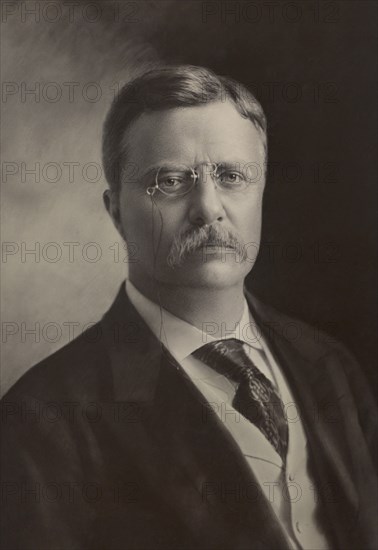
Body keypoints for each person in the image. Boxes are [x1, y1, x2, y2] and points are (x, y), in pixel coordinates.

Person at [1, 65, 377, 550]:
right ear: (115, 211)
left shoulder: (328, 364)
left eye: (232, 176)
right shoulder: (42, 421)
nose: (209, 206)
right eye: (170, 181)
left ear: (260, 190)